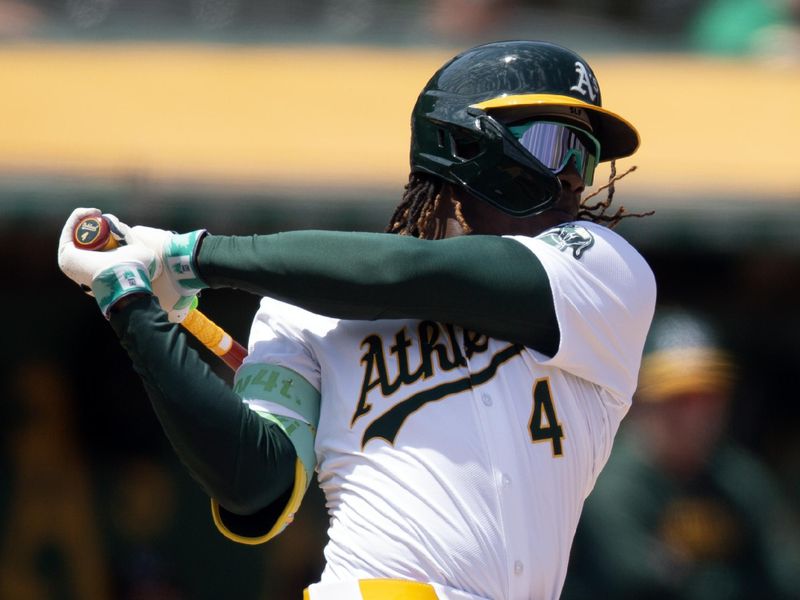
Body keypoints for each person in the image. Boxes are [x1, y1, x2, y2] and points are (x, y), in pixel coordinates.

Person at [57, 40, 656, 600]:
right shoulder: (301, 308)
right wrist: (131, 304)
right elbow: (255, 489)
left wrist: (192, 257)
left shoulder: (604, 272)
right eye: (556, 144)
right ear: (467, 143)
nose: (575, 174)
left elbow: (407, 276)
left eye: (588, 152)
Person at [562, 308, 800, 600]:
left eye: (707, 396)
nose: (695, 415)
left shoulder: (740, 481)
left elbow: (784, 577)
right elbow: (637, 583)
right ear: (640, 402)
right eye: (678, 398)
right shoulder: (604, 483)